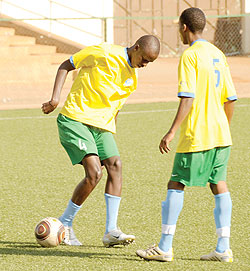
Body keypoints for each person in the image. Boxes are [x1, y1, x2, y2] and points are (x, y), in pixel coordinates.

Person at [136, 8, 237, 262]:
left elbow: (188, 98)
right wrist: (223, 127)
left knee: (176, 183)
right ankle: (223, 249)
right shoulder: (218, 53)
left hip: (197, 136)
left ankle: (164, 247)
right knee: (218, 185)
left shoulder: (190, 55)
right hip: (221, 136)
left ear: (184, 27)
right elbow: (231, 99)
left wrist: (171, 131)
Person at [42, 35, 160, 247]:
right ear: (136, 47)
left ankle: (111, 231)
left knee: (116, 165)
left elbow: (116, 108)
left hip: (101, 127)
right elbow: (65, 65)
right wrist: (55, 99)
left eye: (150, 63)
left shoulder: (132, 79)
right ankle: (65, 223)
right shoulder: (104, 52)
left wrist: (109, 135)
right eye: (144, 59)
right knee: (95, 173)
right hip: (75, 119)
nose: (145, 65)